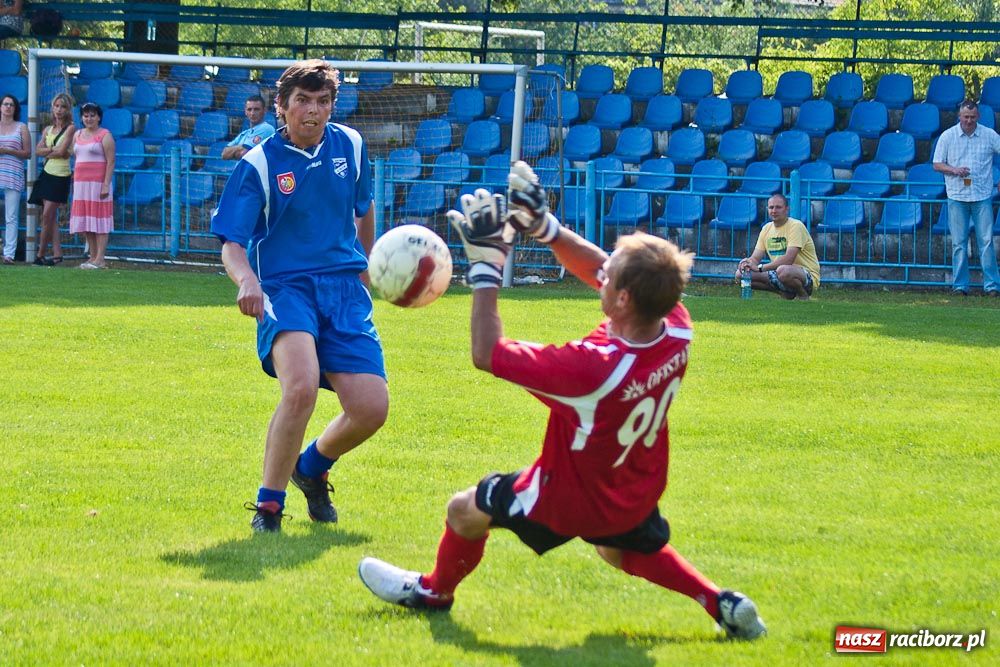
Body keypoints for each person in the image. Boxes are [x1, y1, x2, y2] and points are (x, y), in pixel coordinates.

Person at [358, 162, 767, 641]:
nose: (601, 272)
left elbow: (486, 354)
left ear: (624, 300)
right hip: (632, 481)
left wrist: (488, 267)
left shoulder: (590, 370)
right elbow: (603, 270)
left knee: (464, 511)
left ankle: (433, 593)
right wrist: (545, 227)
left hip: (566, 495)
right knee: (619, 548)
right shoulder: (675, 324)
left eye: (609, 277)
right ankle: (720, 603)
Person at [211, 59, 386, 533]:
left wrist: (367, 264)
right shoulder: (259, 164)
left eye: (322, 101)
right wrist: (247, 281)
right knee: (302, 385)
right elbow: (231, 241)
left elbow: (363, 206)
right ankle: (269, 506)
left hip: (344, 291)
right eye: (303, 101)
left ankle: (310, 467)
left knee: (372, 409)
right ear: (281, 107)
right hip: (286, 289)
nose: (313, 111)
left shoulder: (350, 144)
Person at [932, 100, 1000, 297]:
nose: (969, 121)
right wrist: (953, 170)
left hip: (982, 195)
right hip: (957, 195)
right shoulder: (947, 136)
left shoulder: (989, 135)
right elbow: (936, 164)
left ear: (977, 116)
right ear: (959, 117)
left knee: (986, 242)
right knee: (959, 243)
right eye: (965, 117)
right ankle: (960, 285)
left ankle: (992, 286)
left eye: (972, 117)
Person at [735, 193, 820, 300]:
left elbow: (788, 259)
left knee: (783, 270)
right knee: (740, 275)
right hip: (779, 272)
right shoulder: (766, 229)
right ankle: (783, 292)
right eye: (771, 207)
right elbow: (755, 258)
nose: (774, 211)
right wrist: (747, 263)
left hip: (805, 275)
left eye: (778, 207)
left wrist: (760, 268)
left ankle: (803, 295)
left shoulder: (796, 226)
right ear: (767, 209)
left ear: (786, 209)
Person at [30, 93, 76, 266]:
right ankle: (57, 254)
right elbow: (38, 150)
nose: (59, 110)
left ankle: (40, 254)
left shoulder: (71, 128)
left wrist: (49, 150)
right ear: (52, 107)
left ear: (68, 109)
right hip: (47, 173)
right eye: (56, 106)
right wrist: (53, 149)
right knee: (50, 217)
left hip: (61, 175)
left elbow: (63, 152)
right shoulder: (47, 130)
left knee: (48, 214)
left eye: (63, 106)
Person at [69, 102, 115, 269]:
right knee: (87, 220)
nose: (89, 118)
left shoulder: (105, 135)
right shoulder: (77, 134)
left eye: (92, 115)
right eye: (86, 115)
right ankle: (92, 256)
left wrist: (105, 184)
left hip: (98, 184)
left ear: (99, 117)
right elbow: (75, 157)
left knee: (100, 220)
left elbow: (111, 162)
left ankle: (100, 258)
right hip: (81, 184)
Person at [0, 94, 30, 264]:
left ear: (15, 108)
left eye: (11, 104)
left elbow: (27, 153)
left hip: (13, 174)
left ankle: (9, 253)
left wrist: (8, 151)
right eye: (5, 104)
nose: (8, 107)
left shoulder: (21, 127)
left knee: (11, 216)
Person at [221, 95, 275, 161]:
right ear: (245, 112)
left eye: (256, 109)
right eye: (249, 109)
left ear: (264, 110)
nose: (252, 113)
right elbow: (224, 154)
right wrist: (242, 146)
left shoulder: (267, 128)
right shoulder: (244, 134)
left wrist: (236, 149)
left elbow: (243, 154)